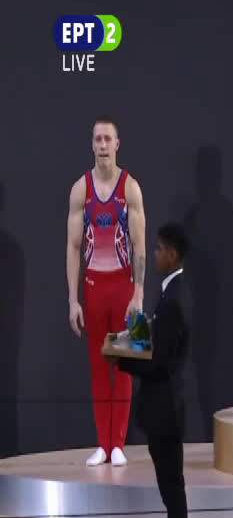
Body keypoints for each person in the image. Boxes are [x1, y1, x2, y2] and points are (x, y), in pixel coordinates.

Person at [66, 116, 146, 467]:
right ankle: (103, 443)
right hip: (94, 287)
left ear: (117, 144)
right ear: (92, 144)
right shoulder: (80, 189)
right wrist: (73, 300)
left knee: (126, 366)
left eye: (107, 139)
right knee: (99, 367)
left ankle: (118, 445)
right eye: (97, 139)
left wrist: (139, 293)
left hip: (124, 285)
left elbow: (140, 244)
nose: (102, 145)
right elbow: (72, 248)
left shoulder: (131, 188)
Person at [118, 222, 189, 518]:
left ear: (172, 254)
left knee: (173, 495)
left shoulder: (172, 300)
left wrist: (121, 359)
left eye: (159, 249)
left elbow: (159, 361)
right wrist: (138, 331)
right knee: (172, 494)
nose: (155, 254)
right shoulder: (172, 294)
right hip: (167, 410)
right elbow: (163, 345)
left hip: (164, 412)